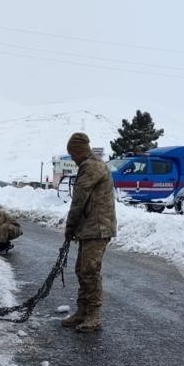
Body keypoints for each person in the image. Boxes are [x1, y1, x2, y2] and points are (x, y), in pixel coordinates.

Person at [62, 132, 117, 332]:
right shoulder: (90, 166)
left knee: (90, 271)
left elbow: (79, 200)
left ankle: (94, 314)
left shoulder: (91, 167)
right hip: (90, 227)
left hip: (98, 228)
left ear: (79, 152)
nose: (73, 159)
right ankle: (82, 311)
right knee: (82, 270)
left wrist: (70, 227)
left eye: (73, 154)